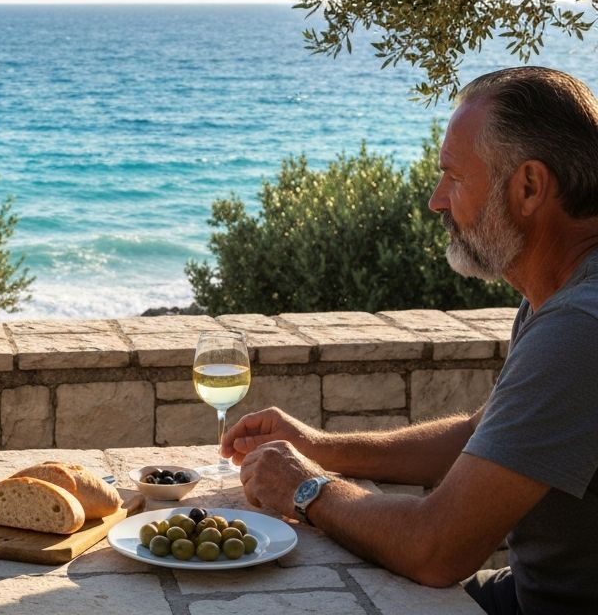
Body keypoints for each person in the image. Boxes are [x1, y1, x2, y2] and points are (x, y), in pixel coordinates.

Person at [222, 67, 598, 615]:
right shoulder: (558, 294)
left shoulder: (579, 327)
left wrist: (307, 489)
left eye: (455, 177)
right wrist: (321, 446)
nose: (436, 200)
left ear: (530, 186)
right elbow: (480, 434)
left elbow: (435, 548)